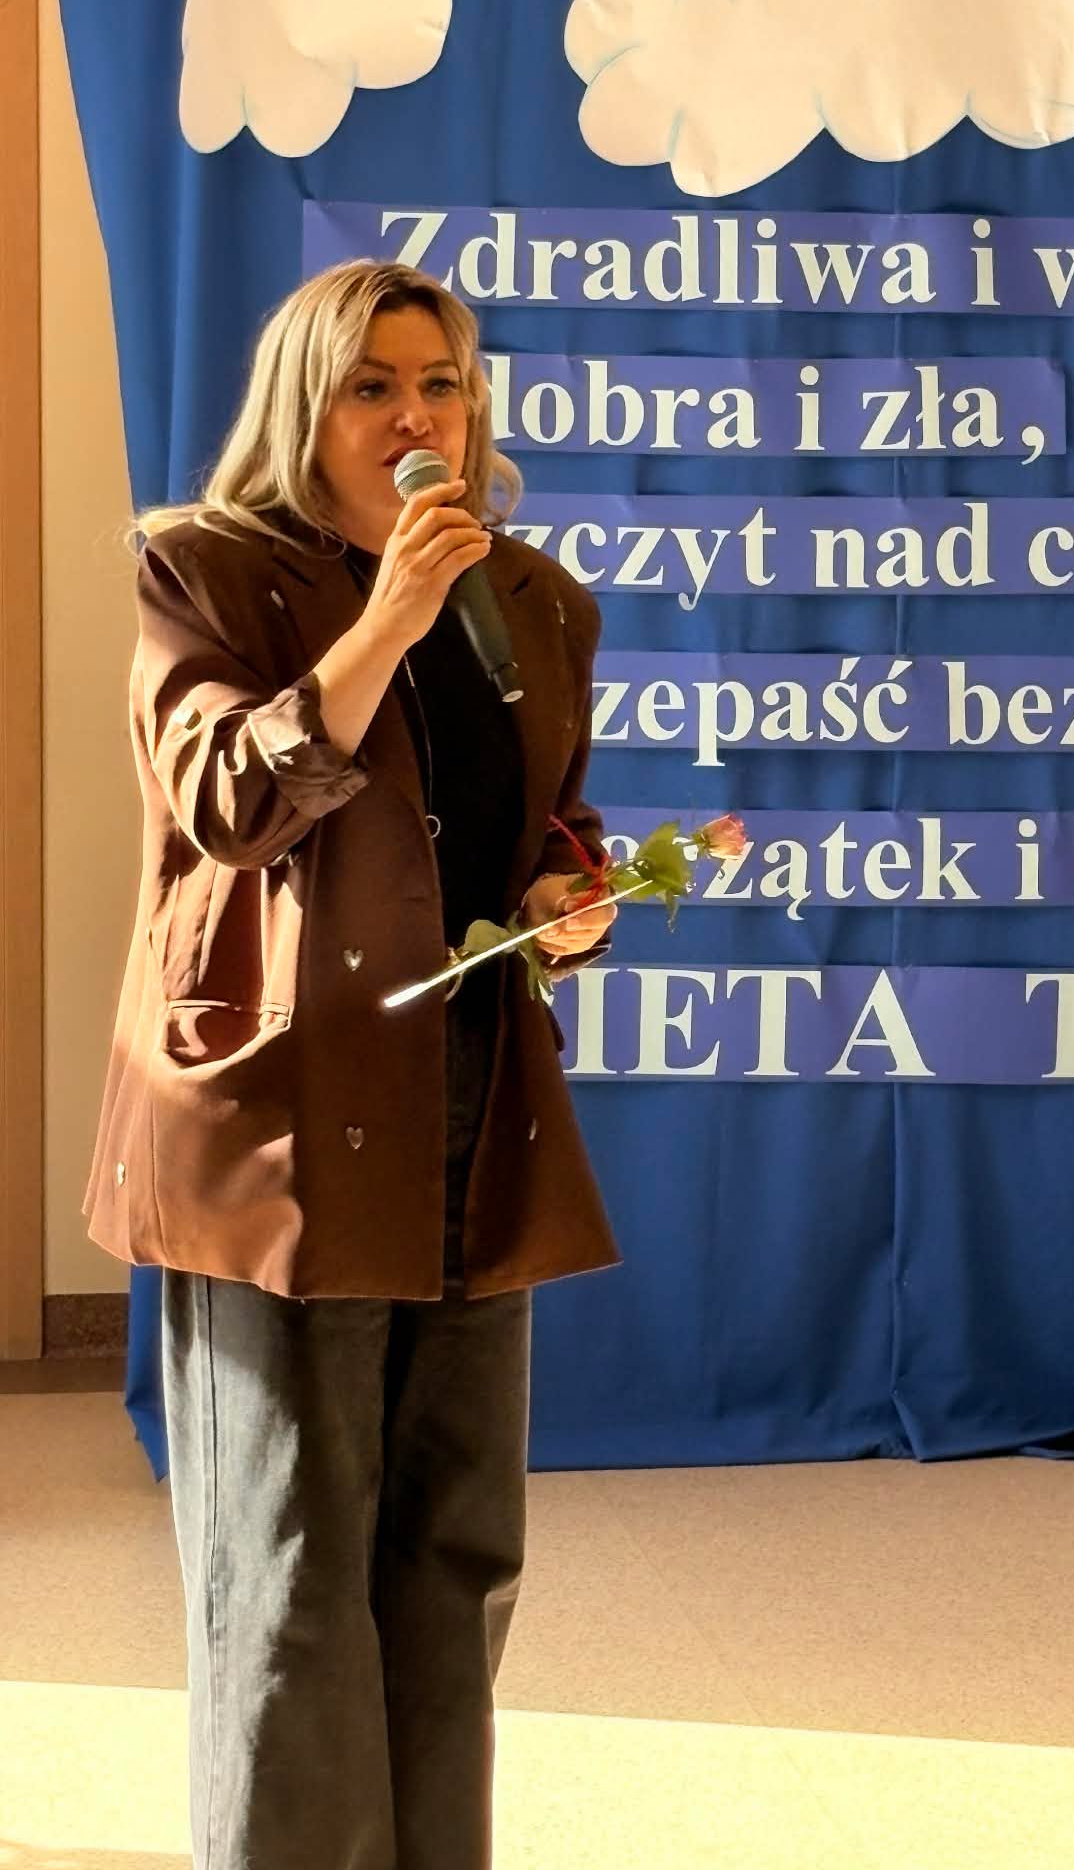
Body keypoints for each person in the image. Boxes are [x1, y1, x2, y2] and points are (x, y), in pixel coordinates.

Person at [85, 259, 620, 1870]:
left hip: (470, 1106)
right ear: (304, 407)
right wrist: (385, 620)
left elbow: (538, 816)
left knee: (457, 1555)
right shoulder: (206, 572)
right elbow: (228, 805)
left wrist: (566, 893)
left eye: (440, 383)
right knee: (293, 1569)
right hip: (286, 1121)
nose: (414, 419)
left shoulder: (534, 600)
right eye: (372, 387)